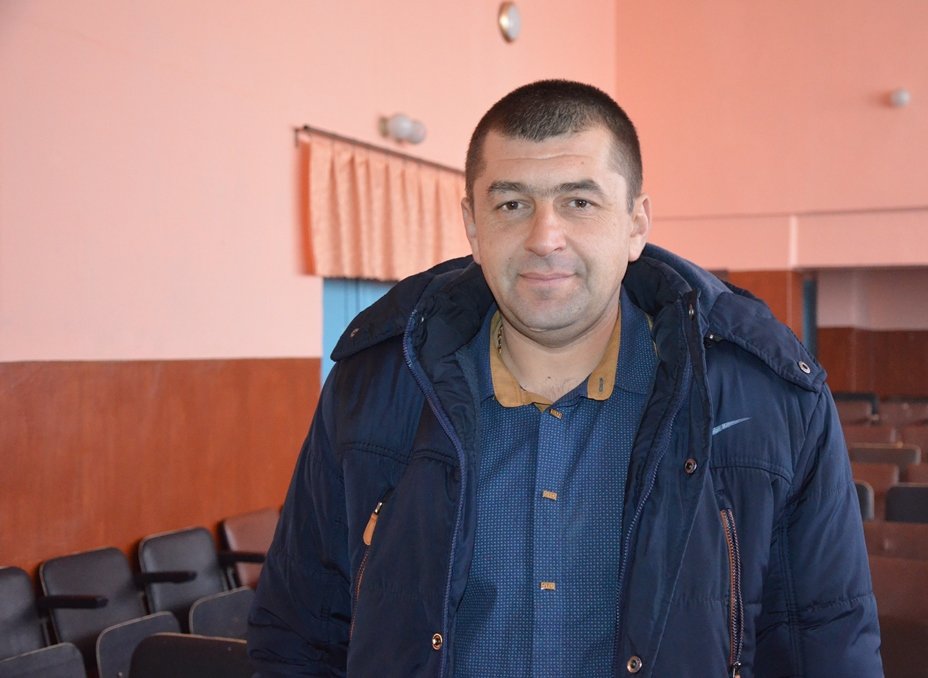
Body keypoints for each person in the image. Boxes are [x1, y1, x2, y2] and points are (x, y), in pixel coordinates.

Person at [248, 79, 882, 677]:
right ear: (473, 226)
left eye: (579, 202)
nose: (544, 237)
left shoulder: (771, 399)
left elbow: (826, 644)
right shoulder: (372, 388)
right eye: (512, 204)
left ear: (636, 224)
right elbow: (299, 634)